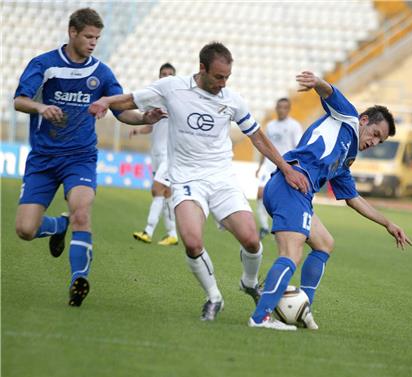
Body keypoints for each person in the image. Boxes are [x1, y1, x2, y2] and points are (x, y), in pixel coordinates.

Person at [89, 42, 309, 321]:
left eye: (227, 77)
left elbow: (256, 136)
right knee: (192, 242)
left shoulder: (232, 99)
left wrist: (285, 168)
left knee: (252, 240)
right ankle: (214, 297)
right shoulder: (172, 87)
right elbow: (131, 100)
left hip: (221, 178)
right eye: (218, 76)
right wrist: (106, 102)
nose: (223, 83)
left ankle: (249, 282)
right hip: (186, 178)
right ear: (202, 68)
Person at [13, 8, 164, 307]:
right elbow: (19, 100)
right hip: (43, 158)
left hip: (80, 157)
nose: (94, 42)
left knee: (81, 213)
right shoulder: (44, 64)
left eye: (97, 37)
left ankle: (78, 279)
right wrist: (41, 108)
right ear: (72, 32)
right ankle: (57, 226)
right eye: (88, 36)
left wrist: (146, 116)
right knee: (25, 230)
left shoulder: (102, 73)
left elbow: (124, 114)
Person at [248, 71, 412, 331]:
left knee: (324, 243)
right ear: (365, 120)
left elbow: (353, 199)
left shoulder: (346, 159)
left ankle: (302, 309)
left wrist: (388, 223)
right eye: (375, 133)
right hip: (291, 183)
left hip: (295, 191)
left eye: (380, 140)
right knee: (291, 254)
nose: (374, 141)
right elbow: (329, 92)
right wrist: (317, 83)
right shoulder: (347, 118)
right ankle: (261, 317)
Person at [130, 63, 179, 246]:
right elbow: (151, 126)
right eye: (163, 74)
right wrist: (137, 131)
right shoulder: (155, 101)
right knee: (166, 194)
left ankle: (148, 231)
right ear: (158, 76)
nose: (166, 76)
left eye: (169, 74)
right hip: (156, 155)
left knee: (156, 189)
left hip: (170, 156)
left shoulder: (177, 102)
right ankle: (172, 233)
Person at [255, 98, 302, 239]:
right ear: (276, 108)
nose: (281, 110)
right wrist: (259, 166)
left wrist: (295, 168)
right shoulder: (270, 126)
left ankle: (283, 228)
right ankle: (264, 226)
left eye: (284, 107)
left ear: (288, 109)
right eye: (279, 107)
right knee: (260, 195)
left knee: (283, 199)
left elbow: (298, 148)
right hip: (269, 165)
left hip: (285, 168)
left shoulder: (294, 126)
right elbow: (265, 147)